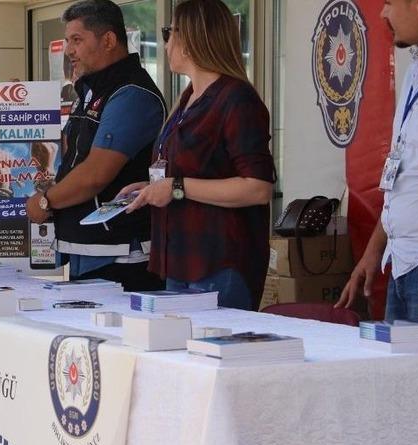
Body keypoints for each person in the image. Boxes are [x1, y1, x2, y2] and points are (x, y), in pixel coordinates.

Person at [121, 0, 275, 310]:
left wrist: (176, 187)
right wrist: (152, 187)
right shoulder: (188, 97)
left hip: (219, 262)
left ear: (190, 38)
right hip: (180, 257)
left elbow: (257, 187)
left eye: (169, 32)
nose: (165, 43)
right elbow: (190, 171)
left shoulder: (236, 99)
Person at [25, 0, 167, 292]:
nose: (69, 50)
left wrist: (45, 201)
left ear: (109, 40)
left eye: (77, 40)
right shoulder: (90, 90)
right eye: (67, 41)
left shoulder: (132, 94)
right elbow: (71, 159)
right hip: (87, 250)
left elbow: (95, 174)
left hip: (121, 257)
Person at [337, 0, 418, 320]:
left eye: (388, 3)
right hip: (402, 265)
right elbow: (406, 177)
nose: (383, 13)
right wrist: (373, 251)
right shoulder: (417, 71)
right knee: (398, 372)